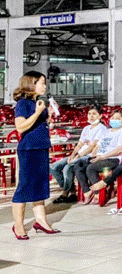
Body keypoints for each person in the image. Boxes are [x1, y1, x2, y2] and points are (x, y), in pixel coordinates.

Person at [12, 71, 60, 239]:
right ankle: (18, 226)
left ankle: (41, 221)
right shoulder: (23, 104)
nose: (44, 86)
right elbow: (21, 127)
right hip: (29, 149)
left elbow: (38, 125)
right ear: (31, 84)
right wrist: (38, 113)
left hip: (41, 147)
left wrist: (48, 119)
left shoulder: (37, 102)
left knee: (40, 186)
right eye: (41, 83)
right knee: (25, 187)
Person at [50, 106, 107, 203]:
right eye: (89, 114)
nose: (91, 116)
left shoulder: (102, 129)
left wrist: (78, 156)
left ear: (100, 116)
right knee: (53, 167)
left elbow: (92, 146)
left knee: (67, 168)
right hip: (79, 155)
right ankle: (70, 190)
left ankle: (65, 193)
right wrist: (73, 154)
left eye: (94, 114)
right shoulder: (86, 128)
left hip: (87, 156)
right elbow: (80, 144)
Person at [75, 110, 122, 204]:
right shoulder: (107, 132)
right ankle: (87, 192)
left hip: (113, 159)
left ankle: (98, 194)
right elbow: (97, 146)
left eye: (117, 119)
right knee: (78, 166)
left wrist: (102, 156)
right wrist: (94, 154)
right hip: (99, 156)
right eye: (112, 118)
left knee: (91, 168)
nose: (114, 120)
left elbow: (120, 149)